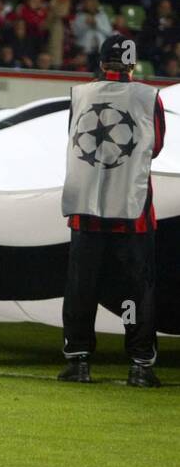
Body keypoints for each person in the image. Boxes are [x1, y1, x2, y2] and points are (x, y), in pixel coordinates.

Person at [59, 34, 165, 388]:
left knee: (82, 288)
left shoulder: (80, 94)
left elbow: (75, 137)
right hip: (132, 214)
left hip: (86, 212)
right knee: (134, 292)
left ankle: (78, 360)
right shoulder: (149, 98)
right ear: (133, 64)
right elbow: (156, 147)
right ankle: (138, 363)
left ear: (102, 62)